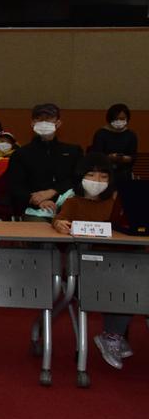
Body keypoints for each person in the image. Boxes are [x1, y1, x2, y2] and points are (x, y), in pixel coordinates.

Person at [51, 152, 135, 369]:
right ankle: (113, 335)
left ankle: (112, 335)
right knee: (119, 284)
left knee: (133, 282)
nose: (97, 181)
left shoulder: (116, 204)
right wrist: (59, 224)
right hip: (84, 268)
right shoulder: (73, 202)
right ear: (80, 176)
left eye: (103, 177)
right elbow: (60, 220)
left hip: (116, 265)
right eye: (91, 175)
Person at [8, 103, 82, 220]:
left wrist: (53, 191)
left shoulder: (73, 151)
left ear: (58, 123)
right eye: (39, 119)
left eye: (48, 118)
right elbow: (15, 186)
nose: (44, 122)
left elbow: (78, 179)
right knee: (40, 228)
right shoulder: (20, 154)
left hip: (69, 207)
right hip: (35, 209)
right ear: (32, 123)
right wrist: (37, 201)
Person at [89, 103, 137, 185]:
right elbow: (96, 156)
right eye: (116, 118)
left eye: (122, 119)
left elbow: (133, 156)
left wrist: (123, 158)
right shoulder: (101, 133)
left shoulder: (131, 135)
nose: (119, 121)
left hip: (124, 173)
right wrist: (110, 157)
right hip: (104, 173)